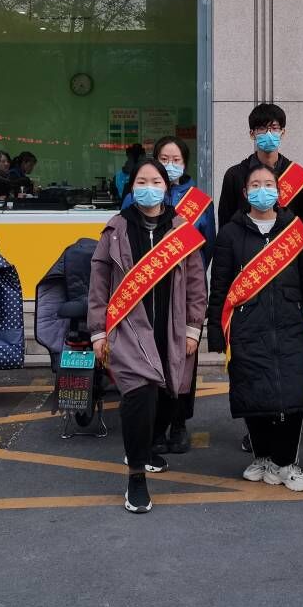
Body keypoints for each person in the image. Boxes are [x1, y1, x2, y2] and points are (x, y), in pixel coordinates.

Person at [89, 158, 208, 514]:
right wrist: (98, 332)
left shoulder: (181, 229)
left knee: (166, 396)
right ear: (131, 187)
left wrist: (193, 328)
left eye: (156, 181)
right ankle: (136, 477)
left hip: (170, 329)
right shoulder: (115, 229)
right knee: (138, 397)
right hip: (128, 330)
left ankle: (146, 449)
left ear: (166, 187)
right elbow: (98, 284)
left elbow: (196, 284)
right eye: (141, 181)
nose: (149, 187)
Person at [206, 161, 303, 492]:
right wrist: (216, 333)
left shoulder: (296, 231)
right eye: (255, 185)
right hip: (247, 327)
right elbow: (219, 287)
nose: (262, 190)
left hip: (291, 325)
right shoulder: (230, 234)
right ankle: (264, 456)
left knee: (293, 394)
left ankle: (286, 463)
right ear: (245, 192)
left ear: (279, 191)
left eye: (269, 185)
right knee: (252, 393)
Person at [120, 135, 215, 454]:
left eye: (176, 160)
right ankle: (153, 426)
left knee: (183, 362)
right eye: (164, 159)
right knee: (150, 357)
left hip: (183, 293)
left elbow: (208, 247)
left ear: (185, 164)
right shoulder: (133, 197)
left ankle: (179, 424)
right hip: (143, 293)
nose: (170, 165)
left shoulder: (199, 201)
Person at [218, 103, 303, 228]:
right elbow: (225, 223)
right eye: (262, 128)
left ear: (283, 132)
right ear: (252, 134)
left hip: (284, 240)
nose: (269, 134)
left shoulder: (298, 176)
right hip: (245, 239)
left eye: (274, 128)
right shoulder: (234, 175)